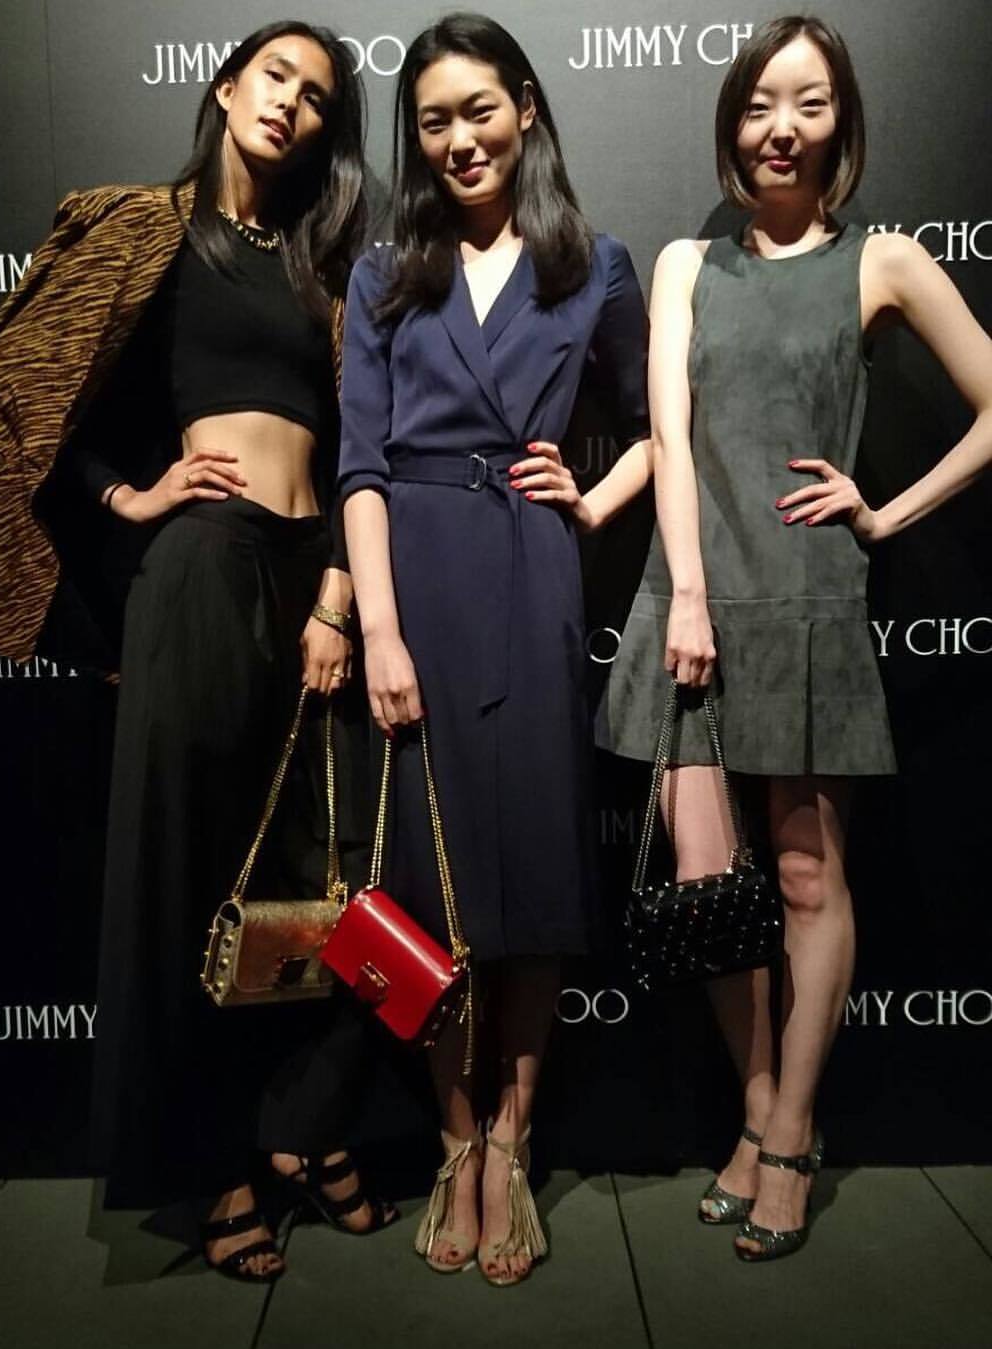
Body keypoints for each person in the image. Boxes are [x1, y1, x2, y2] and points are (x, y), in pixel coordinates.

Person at [0, 20, 398, 1283]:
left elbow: (365, 438)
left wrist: (339, 596)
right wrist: (125, 494)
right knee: (186, 870)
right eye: (275, 76)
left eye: (318, 94)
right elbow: (17, 392)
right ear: (227, 86)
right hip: (198, 568)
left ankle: (306, 1122)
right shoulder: (145, 228)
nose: (292, 103)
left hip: (315, 578)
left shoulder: (326, 262)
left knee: (327, 864)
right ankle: (210, 1162)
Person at [596, 14, 992, 1261]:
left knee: (811, 878)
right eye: (763, 102)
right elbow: (670, 433)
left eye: (809, 103)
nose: (783, 126)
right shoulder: (684, 264)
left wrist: (885, 512)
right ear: (734, 121)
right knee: (711, 887)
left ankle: (790, 1133)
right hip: (692, 599)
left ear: (840, 124)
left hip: (812, 597)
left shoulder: (886, 262)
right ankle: (762, 1109)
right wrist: (689, 590)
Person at [338, 12, 652, 1286]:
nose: (459, 139)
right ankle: (454, 1137)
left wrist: (596, 497)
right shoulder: (383, 271)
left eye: (479, 110)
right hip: (416, 581)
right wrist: (379, 628)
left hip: (531, 573)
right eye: (433, 121)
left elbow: (656, 421)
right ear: (413, 137)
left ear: (524, 106)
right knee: (429, 883)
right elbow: (360, 465)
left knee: (531, 879)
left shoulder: (595, 264)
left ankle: (512, 1141)